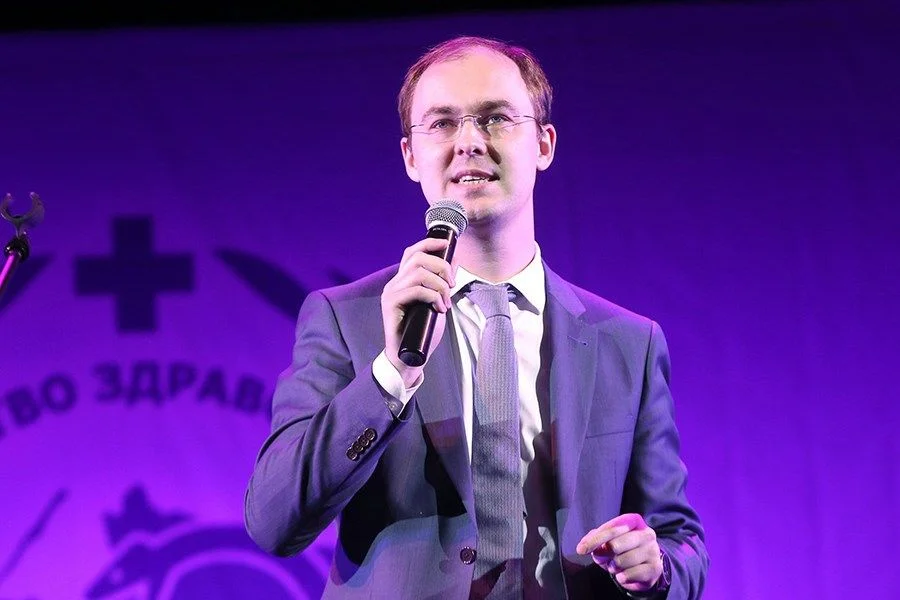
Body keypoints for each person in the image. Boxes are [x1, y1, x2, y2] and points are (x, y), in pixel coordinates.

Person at [244, 35, 708, 599]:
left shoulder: (627, 342)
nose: (468, 142)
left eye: (496, 118)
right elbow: (273, 520)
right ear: (410, 157)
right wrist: (392, 374)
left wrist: (655, 567)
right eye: (442, 123)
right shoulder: (347, 320)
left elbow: (679, 539)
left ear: (544, 144)